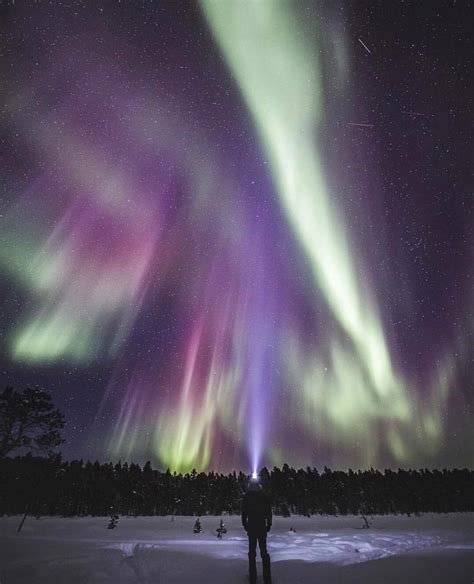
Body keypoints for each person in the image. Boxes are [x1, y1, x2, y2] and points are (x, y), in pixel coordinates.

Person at [241, 476, 272, 584]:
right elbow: (269, 512)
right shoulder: (263, 496)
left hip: (252, 529)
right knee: (264, 553)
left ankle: (253, 578)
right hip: (261, 528)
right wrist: (268, 525)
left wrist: (245, 525)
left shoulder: (247, 496)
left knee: (252, 553)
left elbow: (244, 512)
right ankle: (267, 578)